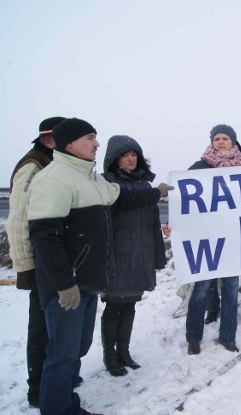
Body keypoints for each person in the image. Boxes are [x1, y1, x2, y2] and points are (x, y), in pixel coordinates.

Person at [27, 118, 171, 415]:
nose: (96, 144)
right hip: (67, 287)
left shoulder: (92, 179)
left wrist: (156, 193)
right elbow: (45, 238)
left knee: (77, 349)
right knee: (62, 354)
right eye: (90, 138)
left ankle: (66, 401)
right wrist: (64, 284)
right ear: (70, 143)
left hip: (89, 282)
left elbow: (125, 196)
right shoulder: (54, 179)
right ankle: (59, 409)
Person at [7, 117, 65, 408]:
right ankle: (36, 386)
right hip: (40, 263)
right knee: (41, 327)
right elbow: (17, 220)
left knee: (58, 325)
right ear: (48, 140)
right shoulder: (33, 166)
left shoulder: (56, 165)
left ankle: (55, 377)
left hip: (55, 261)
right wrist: (26, 267)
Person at [100, 135, 167, 375]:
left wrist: (158, 255)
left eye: (133, 154)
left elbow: (153, 224)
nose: (130, 159)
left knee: (130, 305)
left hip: (141, 255)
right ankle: (110, 355)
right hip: (118, 255)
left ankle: (124, 351)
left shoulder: (144, 185)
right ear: (114, 159)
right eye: (125, 155)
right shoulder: (107, 183)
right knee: (114, 306)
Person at [185, 125, 241, 355]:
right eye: (217, 139)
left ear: (234, 142)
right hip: (208, 239)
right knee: (202, 288)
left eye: (225, 138)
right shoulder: (200, 167)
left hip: (233, 237)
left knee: (231, 289)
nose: (221, 142)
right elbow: (184, 198)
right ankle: (193, 337)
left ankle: (228, 336)